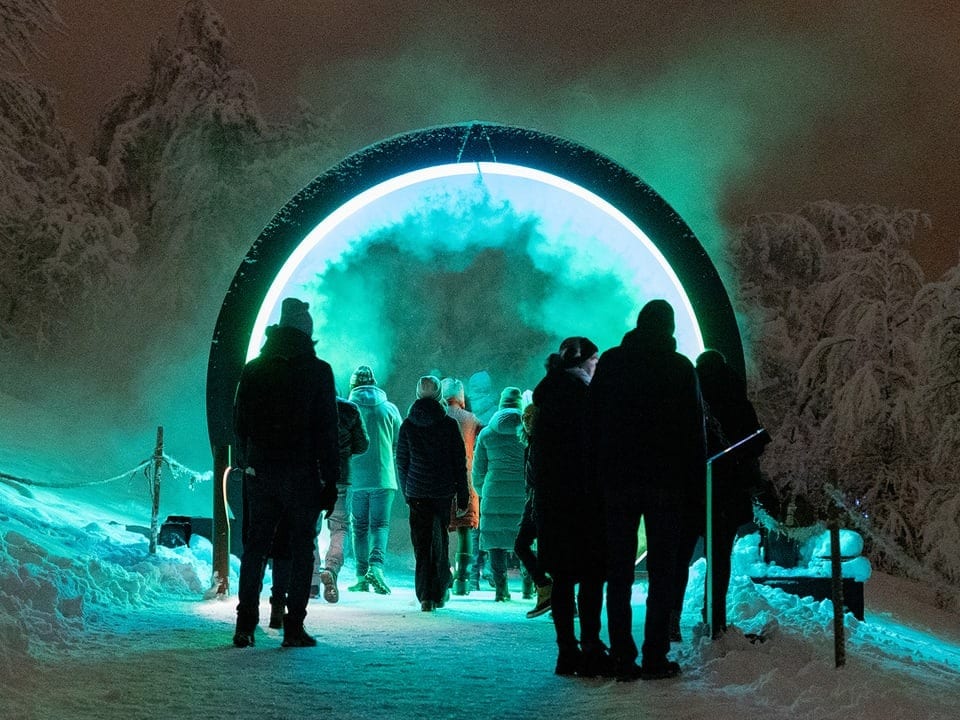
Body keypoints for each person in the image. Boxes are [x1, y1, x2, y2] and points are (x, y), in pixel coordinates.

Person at [590, 300, 706, 680]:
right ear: (669, 328)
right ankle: (655, 655)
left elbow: (594, 423)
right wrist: (693, 486)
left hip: (618, 481)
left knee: (618, 572)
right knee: (662, 572)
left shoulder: (611, 363)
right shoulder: (679, 368)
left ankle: (623, 655)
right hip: (666, 483)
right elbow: (694, 434)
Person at [231, 297, 340, 648]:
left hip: (261, 471)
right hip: (303, 474)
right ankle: (293, 626)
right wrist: (331, 479)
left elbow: (239, 422)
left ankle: (245, 624)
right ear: (307, 332)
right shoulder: (319, 372)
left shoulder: (255, 369)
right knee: (299, 548)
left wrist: (249, 459)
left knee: (256, 547)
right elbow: (328, 429)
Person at [530, 336, 611, 678]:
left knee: (562, 579)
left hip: (552, 503)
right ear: (583, 363)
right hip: (585, 500)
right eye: (594, 362)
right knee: (592, 577)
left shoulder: (544, 399)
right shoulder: (587, 398)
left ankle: (566, 652)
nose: (597, 368)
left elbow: (536, 459)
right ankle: (591, 647)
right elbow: (598, 450)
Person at [397, 375, 469, 612]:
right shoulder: (448, 424)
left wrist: (407, 489)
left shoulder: (408, 424)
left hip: (417, 491)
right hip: (442, 491)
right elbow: (459, 461)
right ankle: (438, 591)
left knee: (421, 543)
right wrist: (463, 493)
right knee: (440, 540)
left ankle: (425, 595)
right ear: (439, 395)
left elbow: (402, 462)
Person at [346, 364, 402, 595]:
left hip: (355, 479)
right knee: (380, 526)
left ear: (353, 385)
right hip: (384, 478)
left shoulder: (348, 409)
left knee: (358, 527)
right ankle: (376, 568)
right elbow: (400, 442)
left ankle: (361, 575)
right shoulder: (390, 409)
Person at [473, 386, 527, 601]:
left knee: (495, 541)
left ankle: (501, 589)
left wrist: (482, 492)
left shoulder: (487, 433)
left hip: (494, 490)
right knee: (526, 539)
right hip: (523, 492)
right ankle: (528, 586)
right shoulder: (528, 431)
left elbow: (478, 470)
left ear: (501, 404)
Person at [440, 377, 481, 596]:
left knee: (442, 530)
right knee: (466, 531)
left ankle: (444, 575)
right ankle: (462, 581)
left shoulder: (438, 417)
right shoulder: (472, 419)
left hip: (442, 479)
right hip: (467, 478)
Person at [515, 402, 552, 618]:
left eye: (529, 419)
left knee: (522, 545)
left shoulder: (539, 444)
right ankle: (556, 596)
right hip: (539, 501)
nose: (527, 423)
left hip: (540, 502)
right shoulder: (534, 443)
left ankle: (547, 589)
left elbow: (538, 479)